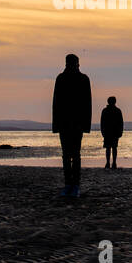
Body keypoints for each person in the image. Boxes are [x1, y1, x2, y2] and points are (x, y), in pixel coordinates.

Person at [52, 54, 92, 197]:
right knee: (68, 155)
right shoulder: (61, 79)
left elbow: (88, 103)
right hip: (66, 123)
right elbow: (56, 103)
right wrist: (56, 125)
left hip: (76, 124)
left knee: (74, 155)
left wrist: (86, 125)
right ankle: (69, 184)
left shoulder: (83, 79)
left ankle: (74, 185)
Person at [100, 95, 124, 169]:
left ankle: (109, 163)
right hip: (113, 132)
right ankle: (112, 163)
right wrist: (120, 131)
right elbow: (121, 122)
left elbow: (102, 122)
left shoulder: (105, 110)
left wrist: (102, 131)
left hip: (109, 132)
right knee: (113, 148)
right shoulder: (117, 110)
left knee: (109, 148)